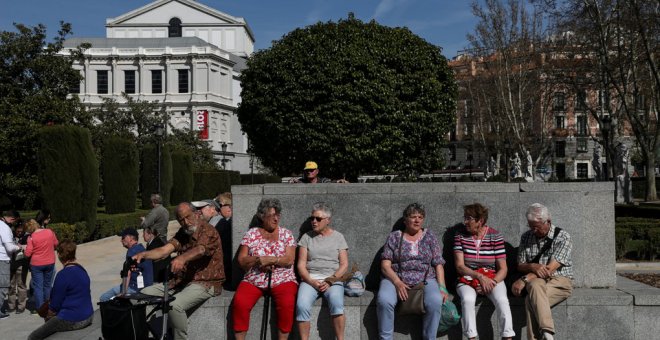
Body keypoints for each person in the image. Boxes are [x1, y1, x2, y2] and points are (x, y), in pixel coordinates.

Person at [134, 202, 224, 340]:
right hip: (182, 281)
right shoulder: (184, 232)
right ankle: (154, 334)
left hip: (205, 281)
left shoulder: (208, 230)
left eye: (188, 217)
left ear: (196, 213)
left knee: (175, 306)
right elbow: (164, 250)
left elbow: (200, 249)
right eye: (181, 220)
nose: (186, 222)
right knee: (141, 297)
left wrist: (182, 258)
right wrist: (143, 255)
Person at [377, 203, 448, 340]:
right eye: (413, 217)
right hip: (395, 277)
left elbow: (438, 263)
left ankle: (429, 338)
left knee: (435, 301)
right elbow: (385, 265)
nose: (417, 220)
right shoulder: (394, 237)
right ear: (405, 220)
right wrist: (397, 282)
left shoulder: (429, 236)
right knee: (384, 300)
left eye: (420, 217)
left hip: (425, 278)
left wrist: (442, 287)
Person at [233, 198, 298, 340]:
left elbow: (289, 259)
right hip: (254, 278)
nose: (276, 219)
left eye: (278, 215)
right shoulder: (251, 234)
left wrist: (272, 259)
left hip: (283, 278)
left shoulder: (286, 234)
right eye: (272, 215)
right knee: (240, 302)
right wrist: (258, 260)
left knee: (287, 304)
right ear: (262, 217)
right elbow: (241, 260)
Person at [511, 203, 573, 340]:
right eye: (530, 226)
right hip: (537, 281)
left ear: (548, 222)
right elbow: (520, 265)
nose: (533, 230)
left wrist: (524, 279)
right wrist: (532, 266)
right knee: (534, 288)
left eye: (536, 227)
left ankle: (545, 332)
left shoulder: (563, 237)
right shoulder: (526, 237)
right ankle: (547, 334)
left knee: (530, 299)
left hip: (559, 280)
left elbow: (549, 269)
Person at [454, 203, 514, 340]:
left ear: (480, 221)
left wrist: (491, 282)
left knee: (502, 300)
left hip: (492, 276)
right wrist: (479, 277)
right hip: (467, 278)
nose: (465, 222)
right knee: (468, 299)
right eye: (465, 218)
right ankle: (471, 337)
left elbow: (503, 269)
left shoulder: (495, 236)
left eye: (469, 218)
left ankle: (507, 337)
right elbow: (460, 266)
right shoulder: (460, 235)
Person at [296, 202, 348, 340]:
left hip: (332, 278)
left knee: (336, 302)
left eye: (318, 219)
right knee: (301, 305)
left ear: (327, 220)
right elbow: (301, 265)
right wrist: (311, 281)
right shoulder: (306, 237)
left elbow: (344, 264)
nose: (313, 221)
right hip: (310, 278)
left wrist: (331, 280)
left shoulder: (338, 237)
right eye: (312, 218)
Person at [27, 240, 94, 340]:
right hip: (89, 315)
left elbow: (54, 307)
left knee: (33, 336)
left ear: (58, 254)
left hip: (74, 319)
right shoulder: (82, 270)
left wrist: (47, 317)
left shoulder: (63, 275)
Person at [99, 228, 153, 301]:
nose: (121, 240)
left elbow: (128, 273)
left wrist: (123, 293)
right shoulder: (141, 248)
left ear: (130, 238)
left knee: (104, 298)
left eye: (123, 237)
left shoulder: (132, 251)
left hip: (135, 288)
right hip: (146, 287)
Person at [25, 218, 59, 314]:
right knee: (48, 285)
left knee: (38, 287)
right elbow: (56, 243)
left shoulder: (31, 237)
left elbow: (28, 254)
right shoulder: (49, 232)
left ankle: (40, 308)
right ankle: (48, 306)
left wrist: (24, 249)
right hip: (50, 262)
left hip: (36, 264)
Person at [0, 210, 22, 319]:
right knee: (3, 286)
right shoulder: (4, 227)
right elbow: (9, 248)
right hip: (2, 259)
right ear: (12, 219)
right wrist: (19, 247)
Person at [8, 220, 29, 314]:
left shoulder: (27, 236)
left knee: (21, 285)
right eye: (18, 230)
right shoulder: (9, 235)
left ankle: (21, 306)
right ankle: (11, 305)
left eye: (21, 231)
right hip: (11, 263)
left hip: (22, 264)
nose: (19, 232)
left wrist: (23, 246)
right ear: (15, 229)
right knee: (11, 286)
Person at [215, 192, 233, 288]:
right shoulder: (223, 221)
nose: (217, 209)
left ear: (229, 208)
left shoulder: (225, 224)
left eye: (220, 205)